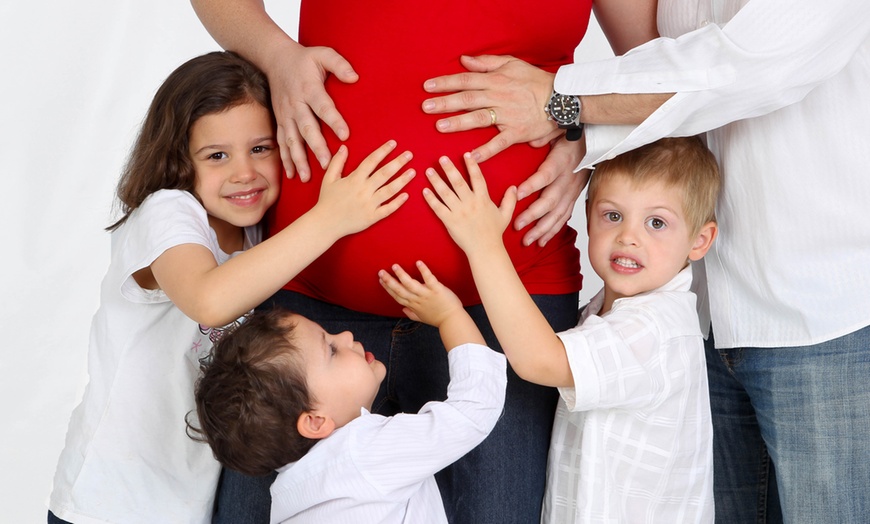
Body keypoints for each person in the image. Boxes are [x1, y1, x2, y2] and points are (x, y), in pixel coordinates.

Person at [188, 1, 660, 522]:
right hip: (309, 299)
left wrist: (586, 132)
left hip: (506, 301)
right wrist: (275, 55)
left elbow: (661, 69)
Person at [418, 1, 870, 521]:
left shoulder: (645, 331)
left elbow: (750, 63)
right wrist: (587, 133)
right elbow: (672, 73)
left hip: (823, 313)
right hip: (710, 312)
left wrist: (564, 101)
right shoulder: (627, 316)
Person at [46, 51, 414, 524]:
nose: (245, 172)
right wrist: (332, 218)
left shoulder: (258, 233)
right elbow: (210, 299)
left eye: (261, 149)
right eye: (217, 155)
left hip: (192, 502)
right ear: (180, 159)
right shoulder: (167, 213)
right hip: (111, 500)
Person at [381, 136, 720, 522]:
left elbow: (540, 361)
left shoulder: (655, 329)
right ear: (587, 214)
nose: (629, 236)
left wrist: (483, 243)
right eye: (613, 215)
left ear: (700, 240)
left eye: (656, 222)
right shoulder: (610, 313)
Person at [192, 276, 506, 523]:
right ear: (315, 421)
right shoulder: (364, 454)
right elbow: (474, 409)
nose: (344, 336)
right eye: (331, 350)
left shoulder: (289, 498)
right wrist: (451, 316)